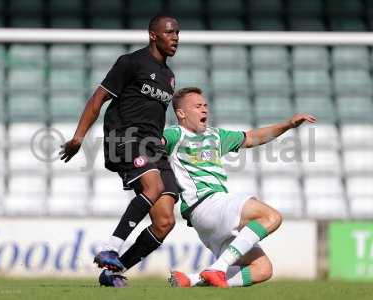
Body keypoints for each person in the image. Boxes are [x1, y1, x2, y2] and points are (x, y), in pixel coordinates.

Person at [59, 15, 180, 286]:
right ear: (153, 35)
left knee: (165, 221)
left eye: (178, 34)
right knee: (154, 186)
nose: (175, 38)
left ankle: (113, 271)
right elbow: (98, 98)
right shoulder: (131, 62)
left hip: (153, 145)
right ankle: (111, 247)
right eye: (170, 33)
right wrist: (79, 137)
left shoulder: (169, 77)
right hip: (124, 137)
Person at [163, 87, 316, 288]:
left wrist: (287, 125)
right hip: (205, 202)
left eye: (205, 106)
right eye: (197, 106)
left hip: (211, 219)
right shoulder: (176, 133)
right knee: (271, 217)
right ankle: (217, 268)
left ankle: (191, 280)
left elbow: (252, 137)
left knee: (262, 270)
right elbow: (153, 144)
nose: (204, 110)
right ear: (181, 113)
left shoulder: (215, 136)